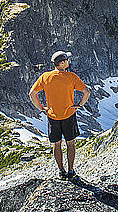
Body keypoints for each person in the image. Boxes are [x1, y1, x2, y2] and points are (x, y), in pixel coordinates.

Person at [29, 51, 90, 179]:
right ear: (62, 63)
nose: (68, 61)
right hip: (69, 115)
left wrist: (41, 108)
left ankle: (61, 171)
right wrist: (79, 105)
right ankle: (71, 171)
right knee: (70, 143)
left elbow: (32, 94)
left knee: (56, 144)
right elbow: (86, 92)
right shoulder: (71, 77)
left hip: (52, 116)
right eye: (66, 59)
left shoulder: (45, 77)